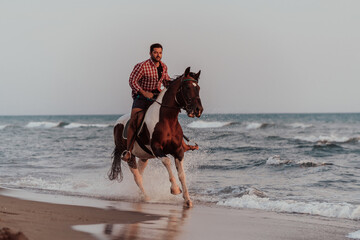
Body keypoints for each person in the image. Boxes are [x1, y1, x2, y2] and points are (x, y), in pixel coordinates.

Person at [121, 43, 171, 161]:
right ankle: (128, 150)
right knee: (135, 119)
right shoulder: (142, 66)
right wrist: (144, 93)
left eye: (160, 53)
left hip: (156, 97)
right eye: (155, 52)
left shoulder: (164, 67)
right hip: (141, 98)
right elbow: (132, 81)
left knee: (169, 116)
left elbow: (166, 81)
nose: (158, 55)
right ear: (150, 53)